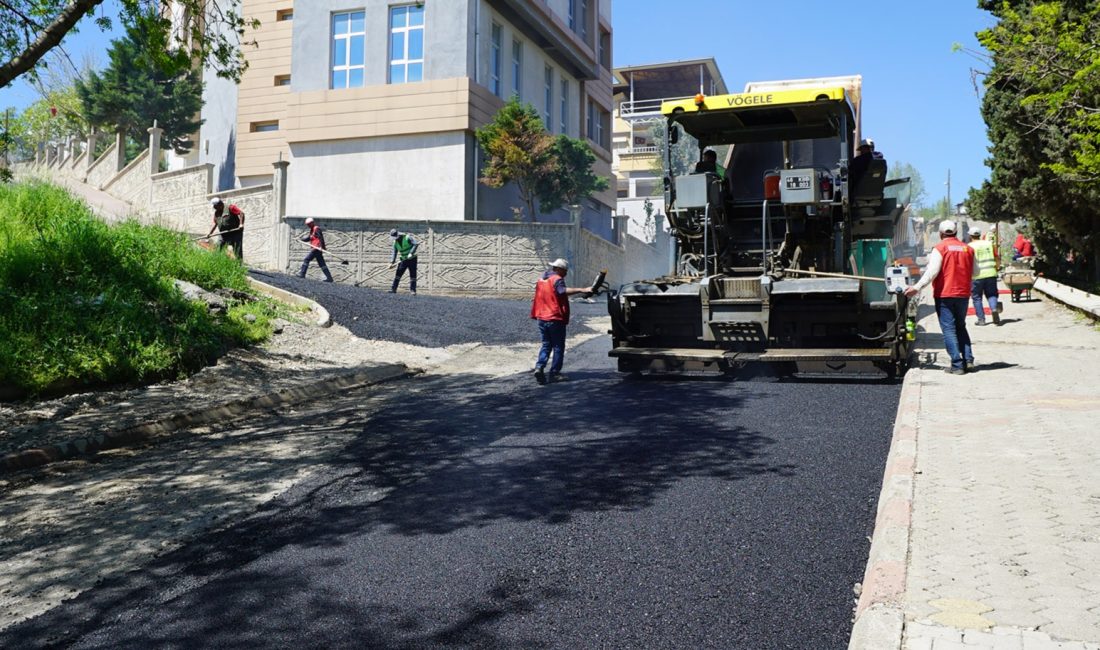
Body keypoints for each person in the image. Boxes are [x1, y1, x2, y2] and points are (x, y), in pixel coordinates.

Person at [905, 219, 977, 374]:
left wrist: (916, 288)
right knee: (961, 326)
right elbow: (976, 272)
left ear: (941, 233)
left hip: (944, 294)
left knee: (949, 329)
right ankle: (968, 359)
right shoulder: (968, 249)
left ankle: (957, 365)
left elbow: (932, 272)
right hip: (963, 294)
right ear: (956, 232)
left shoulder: (940, 248)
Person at [530, 258, 593, 384]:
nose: (566, 274)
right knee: (558, 346)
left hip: (541, 317)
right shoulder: (557, 279)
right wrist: (583, 289)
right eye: (565, 271)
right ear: (558, 269)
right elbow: (562, 291)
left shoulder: (541, 279)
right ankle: (554, 373)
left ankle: (539, 367)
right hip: (554, 318)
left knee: (546, 344)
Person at [968, 226, 1001, 326]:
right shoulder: (989, 244)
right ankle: (994, 308)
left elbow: (967, 262)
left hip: (976, 276)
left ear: (970, 236)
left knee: (977, 297)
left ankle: (981, 320)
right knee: (992, 294)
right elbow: (996, 257)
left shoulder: (969, 246)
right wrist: (997, 267)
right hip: (991, 273)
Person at [205, 197, 245, 261]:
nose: (214, 208)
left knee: (237, 250)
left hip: (235, 233)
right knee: (218, 248)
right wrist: (210, 233)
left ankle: (239, 265)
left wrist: (241, 224)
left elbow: (241, 213)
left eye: (215, 206)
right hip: (223, 234)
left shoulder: (230, 207)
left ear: (219, 204)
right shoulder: (216, 213)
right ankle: (217, 263)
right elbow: (215, 224)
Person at [298, 217, 334, 282]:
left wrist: (320, 246)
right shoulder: (312, 230)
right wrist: (301, 239)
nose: (308, 226)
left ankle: (302, 274)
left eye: (309, 224)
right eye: (307, 224)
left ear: (312, 223)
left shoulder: (316, 229)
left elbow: (320, 238)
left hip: (316, 248)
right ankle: (329, 278)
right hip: (316, 248)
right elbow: (309, 238)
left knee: (306, 259)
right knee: (321, 263)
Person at [389, 229, 418, 294]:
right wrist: (392, 262)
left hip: (412, 258)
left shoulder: (407, 237)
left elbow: (415, 244)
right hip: (403, 259)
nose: (395, 239)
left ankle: (413, 290)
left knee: (413, 274)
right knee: (398, 274)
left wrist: (411, 253)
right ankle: (393, 289)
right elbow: (394, 252)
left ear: (398, 235)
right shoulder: (395, 243)